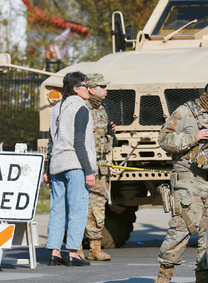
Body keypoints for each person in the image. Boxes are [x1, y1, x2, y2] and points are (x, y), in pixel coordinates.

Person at [155, 71, 208, 283]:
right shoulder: (186, 112)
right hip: (189, 178)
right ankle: (163, 277)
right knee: (182, 227)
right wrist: (192, 137)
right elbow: (163, 139)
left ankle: (203, 278)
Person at [43, 71, 96, 267]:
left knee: (57, 209)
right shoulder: (81, 108)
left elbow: (52, 140)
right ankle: (74, 253)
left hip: (57, 164)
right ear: (76, 88)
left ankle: (54, 252)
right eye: (86, 85)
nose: (89, 90)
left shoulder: (57, 108)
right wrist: (88, 170)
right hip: (75, 164)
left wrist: (49, 168)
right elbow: (79, 142)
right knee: (78, 208)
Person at [76, 73, 117, 261]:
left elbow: (103, 135)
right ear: (91, 89)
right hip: (83, 165)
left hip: (100, 164)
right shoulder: (80, 108)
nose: (106, 90)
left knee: (98, 208)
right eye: (103, 86)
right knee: (79, 206)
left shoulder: (101, 109)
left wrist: (110, 132)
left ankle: (95, 248)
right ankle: (76, 248)